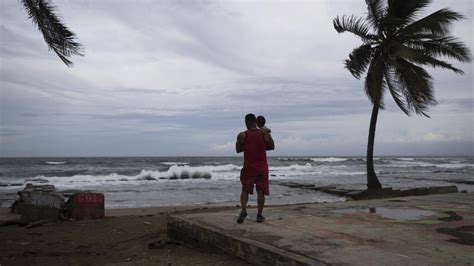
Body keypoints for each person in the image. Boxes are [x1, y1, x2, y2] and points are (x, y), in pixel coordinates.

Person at [235, 113, 275, 223]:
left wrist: (245, 146)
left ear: (246, 122)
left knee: (245, 190)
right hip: (262, 167)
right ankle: (259, 215)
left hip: (249, 166)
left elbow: (238, 150)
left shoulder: (243, 135)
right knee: (260, 191)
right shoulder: (264, 133)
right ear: (255, 122)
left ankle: (243, 210)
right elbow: (272, 147)